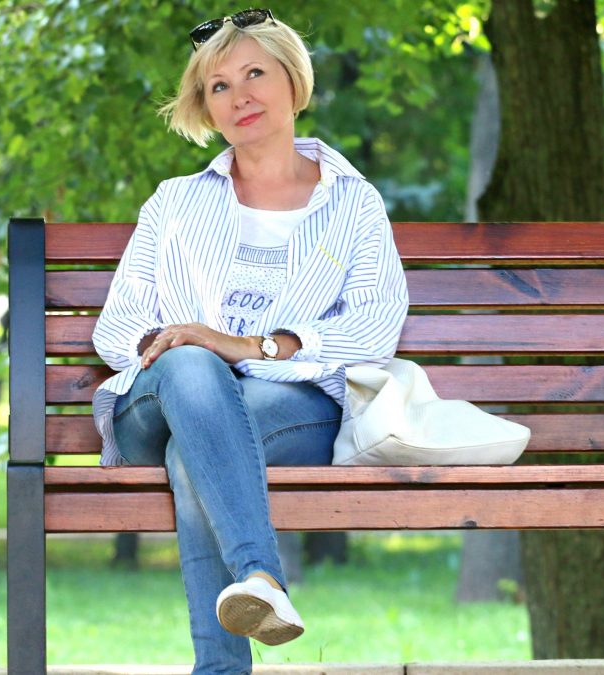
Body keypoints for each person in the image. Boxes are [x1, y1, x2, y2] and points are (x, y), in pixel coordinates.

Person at [91, 8, 409, 673]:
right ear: (206, 109)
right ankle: (261, 576)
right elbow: (118, 325)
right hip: (157, 398)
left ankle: (224, 665)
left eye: (255, 73)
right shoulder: (174, 202)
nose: (241, 96)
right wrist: (190, 345)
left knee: (194, 449)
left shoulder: (353, 204)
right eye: (219, 86)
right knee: (190, 370)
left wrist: (253, 346)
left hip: (288, 406)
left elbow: (377, 322)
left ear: (293, 80)